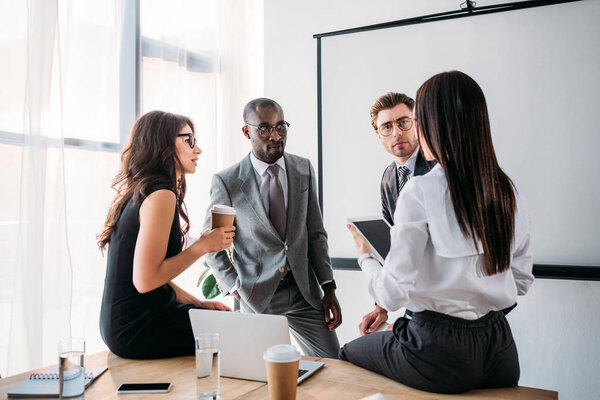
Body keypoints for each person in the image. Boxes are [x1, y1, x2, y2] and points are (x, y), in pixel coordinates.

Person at [341, 71, 534, 394]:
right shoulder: (508, 190)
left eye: (414, 120)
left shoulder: (421, 190)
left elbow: (392, 293)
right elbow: (522, 281)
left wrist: (365, 256)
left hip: (440, 352)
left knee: (346, 354)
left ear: (431, 125)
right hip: (500, 349)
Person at [203, 98, 342, 358]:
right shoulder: (228, 181)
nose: (276, 135)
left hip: (305, 293)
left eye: (281, 126)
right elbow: (212, 245)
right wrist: (236, 288)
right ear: (247, 132)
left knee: (334, 364)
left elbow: (315, 233)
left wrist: (329, 286)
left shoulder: (303, 168)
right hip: (257, 298)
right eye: (265, 128)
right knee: (260, 375)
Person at [98, 110, 235, 359]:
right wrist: (203, 246)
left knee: (222, 322)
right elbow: (147, 280)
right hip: (138, 328)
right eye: (188, 140)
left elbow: (153, 276)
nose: (198, 150)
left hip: (120, 325)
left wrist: (197, 304)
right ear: (162, 144)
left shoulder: (141, 191)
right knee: (237, 333)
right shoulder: (161, 195)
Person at [360, 92, 436, 335]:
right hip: (412, 303)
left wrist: (411, 320)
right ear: (378, 135)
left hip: (442, 308)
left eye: (403, 122)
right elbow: (393, 250)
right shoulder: (388, 178)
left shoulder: (440, 170)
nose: (397, 132)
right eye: (387, 127)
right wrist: (381, 307)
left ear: (417, 124)